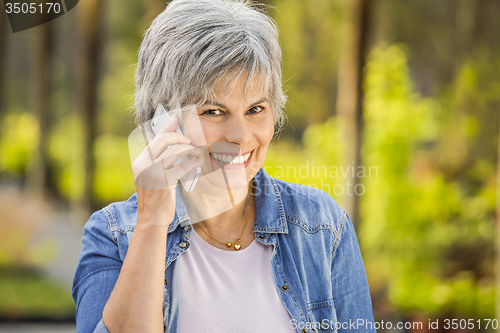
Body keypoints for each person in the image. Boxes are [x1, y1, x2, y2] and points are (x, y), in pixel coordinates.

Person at [72, 0, 376, 332]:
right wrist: (152, 222)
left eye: (256, 108)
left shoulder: (321, 226)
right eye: (213, 111)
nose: (240, 136)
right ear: (161, 122)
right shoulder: (113, 236)